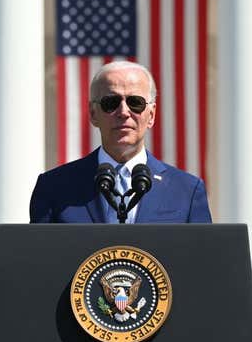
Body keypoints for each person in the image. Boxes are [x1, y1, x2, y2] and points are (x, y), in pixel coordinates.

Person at [29, 61, 212, 223]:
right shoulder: (54, 187)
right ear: (93, 114)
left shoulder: (187, 191)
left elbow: (201, 259)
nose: (124, 112)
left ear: (151, 115)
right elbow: (39, 259)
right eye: (111, 102)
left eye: (135, 102)